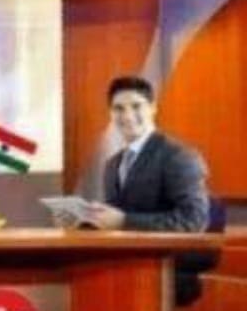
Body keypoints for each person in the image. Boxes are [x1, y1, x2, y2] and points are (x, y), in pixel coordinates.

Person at [56, 76, 209, 233]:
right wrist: (83, 221)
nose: (127, 116)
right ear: (110, 113)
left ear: (153, 108)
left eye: (136, 106)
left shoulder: (178, 156)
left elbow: (194, 220)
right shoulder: (113, 164)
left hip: (164, 249)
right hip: (124, 248)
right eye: (118, 108)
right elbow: (114, 221)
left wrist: (124, 221)